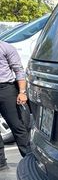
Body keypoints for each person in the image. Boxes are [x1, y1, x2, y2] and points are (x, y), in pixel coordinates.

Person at [0, 39, 31, 171]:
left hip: (6, 89)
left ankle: (30, 161)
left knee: (17, 126)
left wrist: (22, 92)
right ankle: (1, 163)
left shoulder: (6, 47)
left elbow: (18, 69)